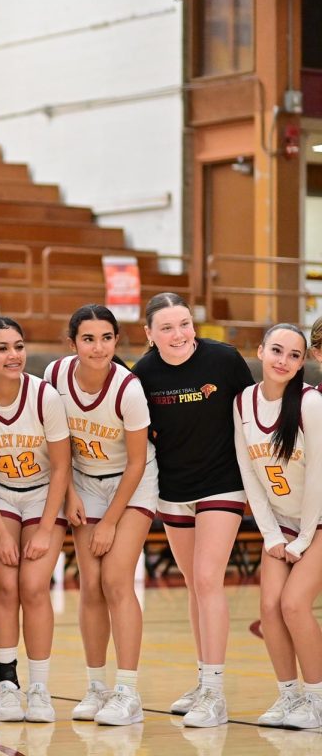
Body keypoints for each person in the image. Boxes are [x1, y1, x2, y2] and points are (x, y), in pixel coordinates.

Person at [131, 292, 254, 727]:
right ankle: (203, 681)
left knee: (207, 579)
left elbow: (252, 417)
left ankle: (216, 694)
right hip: (173, 489)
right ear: (149, 334)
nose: (178, 334)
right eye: (166, 327)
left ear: (193, 326)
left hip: (223, 484)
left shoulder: (224, 360)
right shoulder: (142, 373)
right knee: (192, 584)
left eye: (183, 324)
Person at [46, 305, 157, 726]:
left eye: (107, 338)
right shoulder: (55, 377)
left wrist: (109, 520)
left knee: (115, 579)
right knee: (89, 582)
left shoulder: (127, 388)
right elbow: (55, 445)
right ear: (72, 342)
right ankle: (97, 686)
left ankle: (128, 691)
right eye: (88, 339)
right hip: (84, 481)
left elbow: (135, 462)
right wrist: (70, 493)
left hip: (133, 481)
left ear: (117, 341)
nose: (98, 347)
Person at [0, 316, 70, 724]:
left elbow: (61, 467)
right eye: (3, 348)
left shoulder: (45, 396)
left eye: (19, 346)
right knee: (6, 585)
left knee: (34, 586)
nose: (14, 355)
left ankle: (40, 687)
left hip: (43, 493)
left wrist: (45, 527)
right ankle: (6, 683)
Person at [235, 323, 322, 730]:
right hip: (280, 526)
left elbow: (319, 476)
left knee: (293, 604)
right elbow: (250, 477)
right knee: (269, 607)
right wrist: (271, 535)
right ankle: (289, 698)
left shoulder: (309, 404)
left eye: (294, 355)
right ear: (260, 351)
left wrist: (303, 538)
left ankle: (318, 700)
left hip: (317, 523)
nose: (283, 360)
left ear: (303, 361)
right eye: (276, 350)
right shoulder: (242, 403)